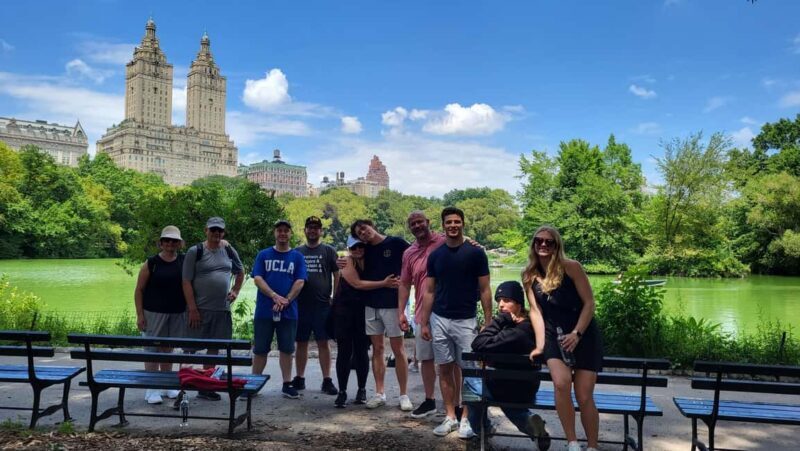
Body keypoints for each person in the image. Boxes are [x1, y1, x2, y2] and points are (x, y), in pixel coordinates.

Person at [522, 225, 603, 451]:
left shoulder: (571, 267)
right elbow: (535, 311)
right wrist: (540, 345)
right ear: (533, 244)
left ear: (557, 246)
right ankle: (572, 442)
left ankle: (592, 446)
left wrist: (577, 334)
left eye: (549, 242)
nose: (543, 245)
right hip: (553, 335)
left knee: (584, 396)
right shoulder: (528, 274)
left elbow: (589, 303)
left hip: (583, 334)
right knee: (561, 383)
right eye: (539, 240)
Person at [420, 206, 492, 439]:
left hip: (466, 320)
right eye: (449, 222)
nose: (453, 225)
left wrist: (488, 321)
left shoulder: (476, 254)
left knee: (469, 371)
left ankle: (466, 419)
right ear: (443, 226)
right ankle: (450, 416)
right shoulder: (436, 256)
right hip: (439, 318)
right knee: (444, 369)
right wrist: (424, 322)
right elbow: (429, 291)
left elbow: (485, 289)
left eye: (457, 222)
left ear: (463, 224)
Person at [467, 281, 550, 450]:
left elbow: (477, 343)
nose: (501, 305)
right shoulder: (531, 326)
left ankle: (482, 430)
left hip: (505, 387)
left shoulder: (516, 332)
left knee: (470, 382)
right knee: (503, 397)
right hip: (527, 388)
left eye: (506, 300)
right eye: (499, 301)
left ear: (519, 304)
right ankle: (529, 421)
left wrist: (498, 321)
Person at [350, 219, 412, 411]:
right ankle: (379, 393)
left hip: (393, 304)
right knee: (377, 349)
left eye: (364, 228)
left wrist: (407, 283)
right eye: (359, 233)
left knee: (398, 349)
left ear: (372, 226)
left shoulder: (396, 243)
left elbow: (416, 257)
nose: (363, 233)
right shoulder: (364, 250)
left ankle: (404, 395)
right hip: (371, 305)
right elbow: (351, 259)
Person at [182, 217, 244, 401]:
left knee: (214, 349)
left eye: (219, 230)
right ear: (206, 231)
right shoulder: (195, 251)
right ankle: (181, 388)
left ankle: (206, 386)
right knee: (189, 349)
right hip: (199, 309)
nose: (216, 233)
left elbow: (240, 272)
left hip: (221, 310)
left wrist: (235, 290)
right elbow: (186, 281)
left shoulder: (228, 249)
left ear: (223, 232)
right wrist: (192, 308)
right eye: (213, 230)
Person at [333, 235, 399, 408]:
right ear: (349, 249)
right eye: (354, 247)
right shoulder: (347, 262)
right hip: (345, 311)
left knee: (361, 351)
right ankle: (342, 391)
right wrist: (384, 283)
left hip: (364, 310)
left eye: (361, 246)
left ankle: (361, 389)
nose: (358, 250)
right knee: (344, 351)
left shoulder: (372, 261)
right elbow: (357, 284)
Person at [398, 211, 448, 419]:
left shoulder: (444, 242)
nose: (417, 226)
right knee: (426, 358)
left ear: (428, 222)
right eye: (413, 224)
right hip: (421, 313)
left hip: (447, 310)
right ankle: (429, 400)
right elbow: (404, 284)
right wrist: (401, 312)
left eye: (420, 222)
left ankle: (455, 404)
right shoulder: (409, 252)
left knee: (450, 361)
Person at [251, 219, 307, 399]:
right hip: (265, 310)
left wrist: (286, 300)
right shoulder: (263, 255)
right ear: (274, 233)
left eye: (286, 230)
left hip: (288, 311)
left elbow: (300, 281)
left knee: (287, 349)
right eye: (279, 230)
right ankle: (254, 383)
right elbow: (258, 278)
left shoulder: (297, 257)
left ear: (290, 234)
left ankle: (287, 384)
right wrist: (274, 296)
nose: (282, 233)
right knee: (260, 348)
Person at [134, 225, 186, 405]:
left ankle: (166, 384)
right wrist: (140, 315)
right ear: (161, 243)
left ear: (179, 243)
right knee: (152, 350)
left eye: (174, 240)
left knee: (168, 349)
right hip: (153, 313)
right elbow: (139, 290)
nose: (170, 243)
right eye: (167, 240)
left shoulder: (184, 261)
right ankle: (152, 388)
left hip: (176, 313)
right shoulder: (151, 263)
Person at [292, 216, 340, 396]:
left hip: (322, 304)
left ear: (321, 231)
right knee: (301, 342)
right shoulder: (297, 252)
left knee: (323, 342)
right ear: (305, 230)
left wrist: (335, 297)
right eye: (310, 227)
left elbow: (337, 275)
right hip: (301, 304)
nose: (312, 231)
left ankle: (327, 379)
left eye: (316, 228)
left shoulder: (328, 251)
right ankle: (299, 377)